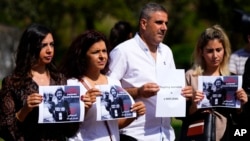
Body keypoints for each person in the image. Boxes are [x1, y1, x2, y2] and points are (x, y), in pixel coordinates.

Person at [108, 2, 193, 141]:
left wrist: (184, 93)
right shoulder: (123, 51)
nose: (164, 27)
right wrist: (138, 92)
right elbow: (108, 92)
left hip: (166, 134)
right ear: (143, 23)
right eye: (159, 22)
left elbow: (172, 89)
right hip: (134, 134)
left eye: (166, 23)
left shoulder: (166, 51)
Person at [59, 30, 146, 141]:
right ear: (83, 56)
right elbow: (68, 128)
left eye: (104, 51)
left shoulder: (114, 83)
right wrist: (84, 108)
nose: (102, 56)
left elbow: (116, 124)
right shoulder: (72, 84)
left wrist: (134, 114)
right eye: (95, 52)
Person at [0, 23, 80, 141]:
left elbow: (70, 130)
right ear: (31, 47)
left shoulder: (60, 79)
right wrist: (24, 110)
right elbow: (5, 131)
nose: (49, 50)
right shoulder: (13, 82)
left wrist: (79, 108)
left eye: (52, 45)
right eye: (44, 45)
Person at [182, 24, 248, 141]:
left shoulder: (231, 78)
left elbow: (240, 121)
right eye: (209, 51)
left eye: (219, 50)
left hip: (225, 135)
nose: (215, 56)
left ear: (225, 50)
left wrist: (241, 105)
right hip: (197, 136)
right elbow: (180, 114)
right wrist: (194, 106)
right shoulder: (191, 76)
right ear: (201, 51)